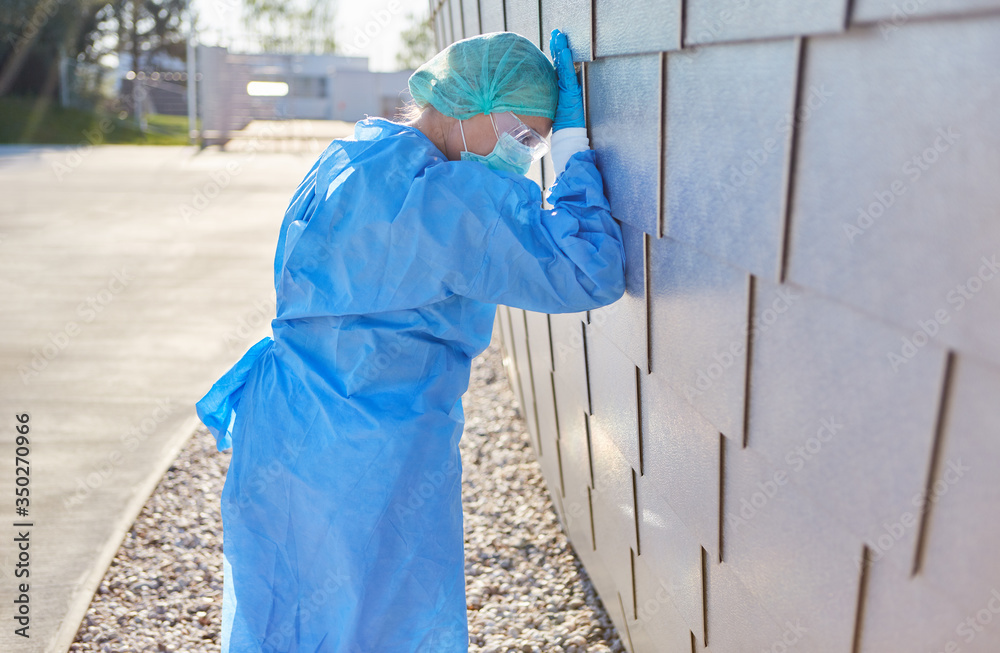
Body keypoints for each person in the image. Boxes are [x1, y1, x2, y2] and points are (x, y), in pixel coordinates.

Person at [195, 29, 625, 653]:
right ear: (466, 104)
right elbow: (586, 271)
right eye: (521, 135)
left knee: (288, 606)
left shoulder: (355, 157)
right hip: (371, 441)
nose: (523, 153)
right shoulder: (445, 200)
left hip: (285, 424)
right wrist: (572, 146)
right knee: (383, 617)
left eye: (535, 142)